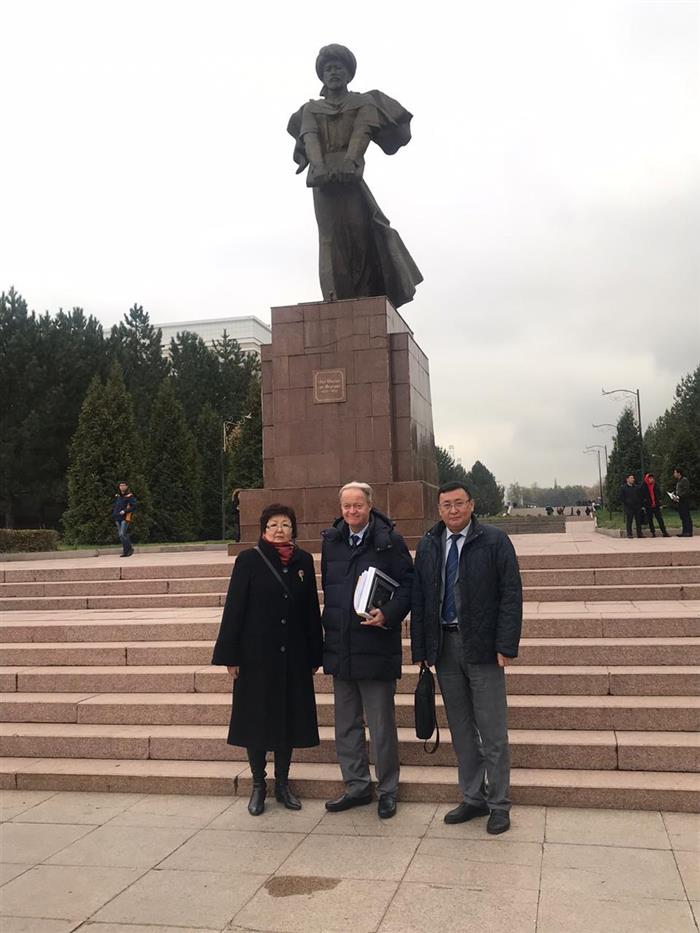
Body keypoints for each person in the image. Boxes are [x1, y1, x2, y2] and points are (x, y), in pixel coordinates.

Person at [411, 482, 523, 835]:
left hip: (483, 646)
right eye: (446, 504)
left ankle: (499, 804)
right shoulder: (429, 544)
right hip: (444, 646)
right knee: (461, 729)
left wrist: (505, 644)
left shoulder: (494, 541)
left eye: (459, 503)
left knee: (492, 731)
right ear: (438, 509)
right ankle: (473, 797)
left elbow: (511, 594)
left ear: (472, 505)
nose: (453, 510)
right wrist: (421, 651)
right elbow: (420, 599)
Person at [288, 44, 423, 309]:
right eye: (328, 69)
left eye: (339, 67)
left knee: (360, 237)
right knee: (329, 240)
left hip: (351, 178)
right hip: (323, 181)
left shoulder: (363, 103)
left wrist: (351, 161)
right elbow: (310, 136)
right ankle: (334, 296)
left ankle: (363, 297)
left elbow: (363, 131)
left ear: (349, 73)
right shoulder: (310, 109)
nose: (333, 72)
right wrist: (319, 167)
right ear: (322, 75)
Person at [211, 504, 323, 816]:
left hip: (293, 655)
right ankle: (258, 784)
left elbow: (311, 610)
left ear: (293, 529)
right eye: (273, 525)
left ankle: (283, 784)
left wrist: (315, 653)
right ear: (263, 529)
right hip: (256, 657)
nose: (279, 530)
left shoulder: (303, 561)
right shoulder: (249, 560)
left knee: (288, 719)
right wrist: (230, 655)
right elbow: (234, 608)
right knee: (256, 719)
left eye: (285, 524)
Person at [321, 481, 413, 819]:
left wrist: (387, 614)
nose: (351, 511)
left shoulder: (390, 541)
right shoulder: (332, 542)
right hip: (341, 647)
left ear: (370, 506)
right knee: (346, 725)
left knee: (381, 725)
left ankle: (388, 790)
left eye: (357, 505)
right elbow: (329, 589)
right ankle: (357, 786)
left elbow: (409, 585)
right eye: (346, 506)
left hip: (375, 646)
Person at [640, 473, 670, 538]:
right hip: (648, 506)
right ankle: (653, 532)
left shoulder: (655, 485)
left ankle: (664, 532)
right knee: (650, 520)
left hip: (656, 505)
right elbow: (641, 496)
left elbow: (658, 494)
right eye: (650, 478)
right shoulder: (643, 486)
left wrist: (660, 502)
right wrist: (644, 504)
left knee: (660, 519)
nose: (652, 480)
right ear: (647, 479)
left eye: (652, 478)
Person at [112, 481, 137, 557]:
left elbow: (134, 506)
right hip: (117, 517)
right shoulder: (118, 496)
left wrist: (125, 511)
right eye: (120, 485)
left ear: (126, 486)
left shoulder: (129, 496)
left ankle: (130, 549)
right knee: (122, 535)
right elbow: (115, 505)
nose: (122, 487)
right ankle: (126, 551)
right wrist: (114, 514)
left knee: (122, 534)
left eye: (123, 485)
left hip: (125, 518)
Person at [620, 473, 643, 539]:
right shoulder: (623, 488)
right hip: (629, 507)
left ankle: (639, 534)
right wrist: (626, 502)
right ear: (627, 479)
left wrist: (639, 503)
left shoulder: (636, 487)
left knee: (638, 520)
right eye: (631, 478)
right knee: (629, 520)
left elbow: (640, 496)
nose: (633, 479)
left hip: (637, 506)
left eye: (633, 478)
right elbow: (622, 497)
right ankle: (629, 534)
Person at [673, 468, 693, 537]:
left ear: (679, 473)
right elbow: (679, 491)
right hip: (680, 501)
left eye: (675, 472)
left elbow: (686, 491)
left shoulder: (684, 480)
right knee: (682, 516)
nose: (674, 474)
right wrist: (675, 496)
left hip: (684, 501)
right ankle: (684, 532)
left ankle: (689, 532)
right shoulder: (679, 481)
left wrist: (679, 496)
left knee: (686, 516)